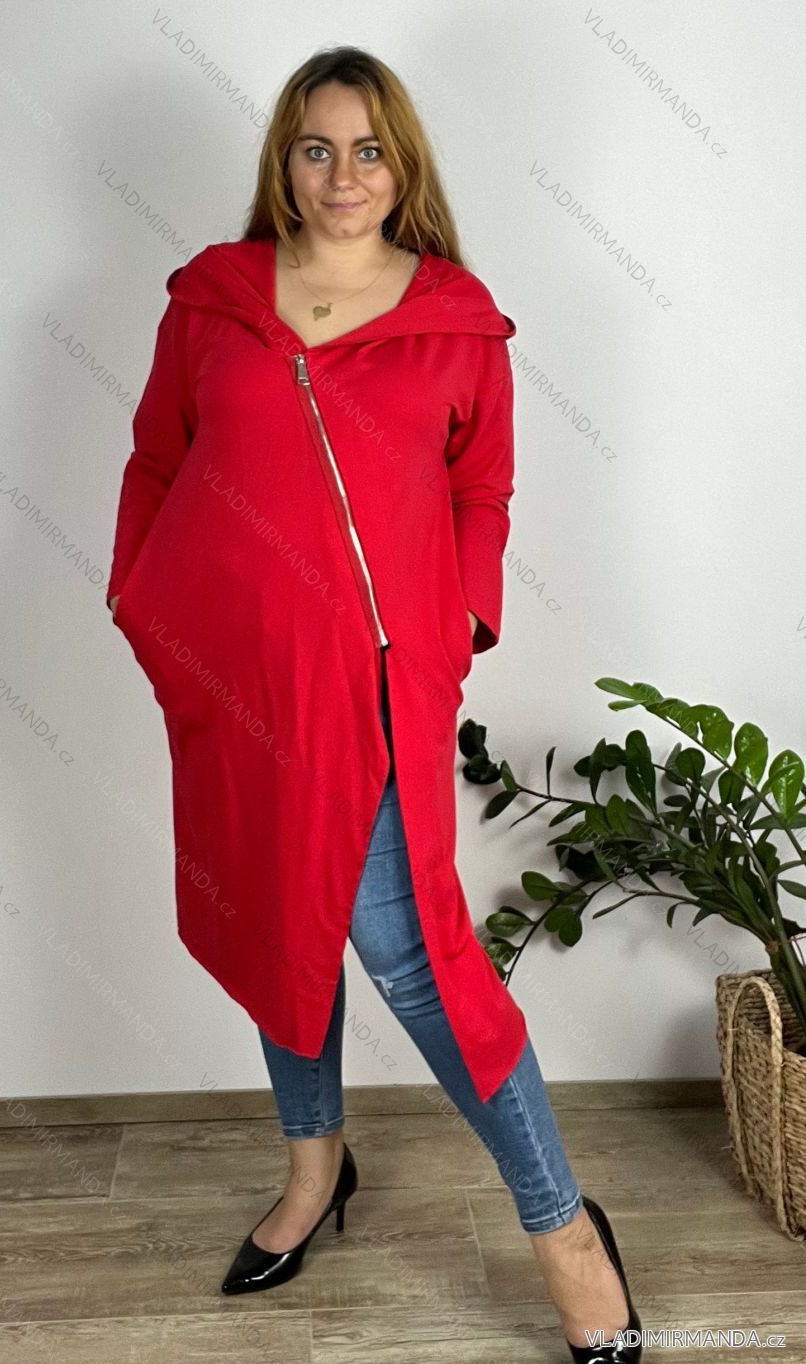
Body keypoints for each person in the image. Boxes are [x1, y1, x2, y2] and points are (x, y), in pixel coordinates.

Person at [108, 44, 643, 1364]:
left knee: (413, 959)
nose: (340, 174)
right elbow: (157, 460)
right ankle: (313, 1170)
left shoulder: (457, 320)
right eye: (315, 147)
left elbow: (482, 490)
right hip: (244, 682)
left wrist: (455, 624)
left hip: (380, 688)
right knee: (273, 917)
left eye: (366, 149)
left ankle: (564, 1229)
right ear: (282, 163)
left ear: (401, 168)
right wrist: (148, 604)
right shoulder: (212, 303)